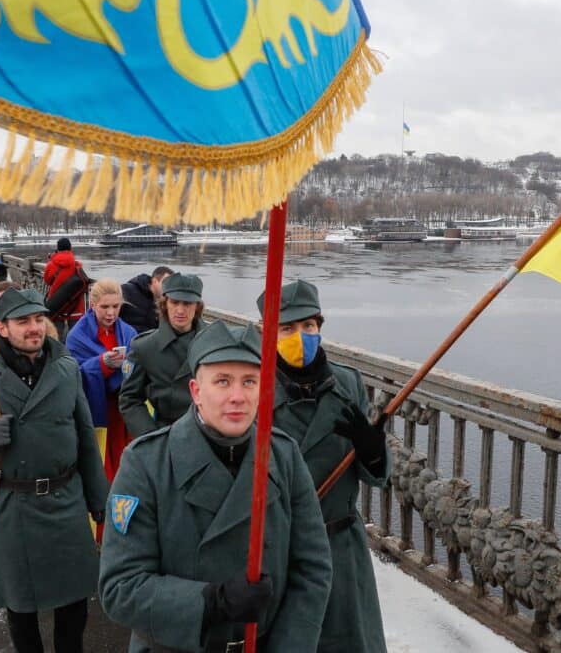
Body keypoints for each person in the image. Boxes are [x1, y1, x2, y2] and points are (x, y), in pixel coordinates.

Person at [98, 321, 333, 652]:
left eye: (249, 381)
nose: (237, 396)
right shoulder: (147, 463)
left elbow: (313, 569)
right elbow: (120, 588)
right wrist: (210, 603)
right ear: (195, 391)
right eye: (222, 381)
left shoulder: (283, 455)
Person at [0, 289, 108, 653]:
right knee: (21, 610)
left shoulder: (67, 369)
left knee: (74, 608)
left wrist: (99, 502)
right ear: (1, 326)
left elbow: (85, 438)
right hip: (12, 507)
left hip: (66, 502)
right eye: (23, 321)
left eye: (38, 319)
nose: (35, 328)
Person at [262, 280, 389, 652]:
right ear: (270, 332)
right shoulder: (256, 388)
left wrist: (373, 451)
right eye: (287, 328)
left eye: (308, 327)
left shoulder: (348, 383)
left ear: (320, 327)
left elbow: (372, 474)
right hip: (283, 548)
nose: (299, 336)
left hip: (340, 547)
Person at [64, 279, 135, 486]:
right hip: (95, 411)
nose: (111, 313)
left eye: (116, 306)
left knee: (126, 461)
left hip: (123, 411)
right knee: (101, 463)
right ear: (92, 305)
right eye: (105, 307)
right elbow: (71, 375)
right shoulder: (77, 336)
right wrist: (101, 364)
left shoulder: (129, 333)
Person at [116, 273, 204, 439]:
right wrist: (152, 437)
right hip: (169, 435)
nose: (180, 310)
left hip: (210, 435)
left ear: (197, 307)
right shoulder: (145, 347)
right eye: (175, 302)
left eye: (187, 303)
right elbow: (129, 399)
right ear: (165, 304)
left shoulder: (214, 343)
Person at [43, 238, 87, 341]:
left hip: (57, 303)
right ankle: (73, 354)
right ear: (70, 248)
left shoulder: (51, 264)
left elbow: (47, 281)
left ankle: (58, 354)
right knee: (76, 336)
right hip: (75, 304)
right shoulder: (77, 265)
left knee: (56, 336)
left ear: (57, 249)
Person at [118, 266, 173, 334]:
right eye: (166, 283)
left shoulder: (167, 301)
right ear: (155, 281)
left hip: (150, 340)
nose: (169, 288)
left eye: (171, 285)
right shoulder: (128, 290)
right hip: (128, 338)